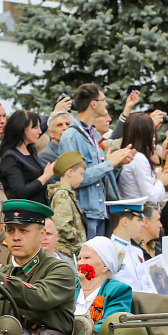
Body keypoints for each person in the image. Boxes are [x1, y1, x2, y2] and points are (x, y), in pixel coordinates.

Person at [0, 200, 76, 335]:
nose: (16, 237)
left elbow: (38, 296)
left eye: (24, 231)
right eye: (10, 231)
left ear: (42, 234)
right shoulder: (1, 274)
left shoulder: (60, 270)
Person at [58, 83, 136, 238]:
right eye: (103, 100)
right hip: (85, 213)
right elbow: (75, 179)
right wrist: (110, 163)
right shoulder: (71, 137)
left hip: (101, 211)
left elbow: (101, 174)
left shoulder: (95, 135)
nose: (106, 104)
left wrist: (118, 163)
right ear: (93, 104)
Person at [118, 113, 168, 203]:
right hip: (140, 212)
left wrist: (165, 160)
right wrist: (161, 181)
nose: (154, 139)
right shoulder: (139, 159)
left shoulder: (127, 156)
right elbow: (151, 197)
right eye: (151, 134)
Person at [74, 236, 131, 329]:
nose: (80, 263)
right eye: (79, 258)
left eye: (87, 258)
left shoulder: (117, 290)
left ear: (105, 266)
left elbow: (108, 327)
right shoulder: (69, 285)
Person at [0, 110, 54, 205]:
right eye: (36, 128)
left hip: (39, 211)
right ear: (22, 130)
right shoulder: (10, 157)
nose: (40, 132)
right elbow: (20, 192)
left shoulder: (31, 151)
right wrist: (45, 176)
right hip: (23, 214)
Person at [109, 197, 154, 293]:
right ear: (125, 221)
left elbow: (147, 284)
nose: (142, 224)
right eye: (138, 220)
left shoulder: (137, 251)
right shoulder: (108, 249)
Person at [47, 151, 87, 256]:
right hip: (66, 250)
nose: (82, 178)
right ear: (70, 173)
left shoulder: (65, 194)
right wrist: (77, 236)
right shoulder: (62, 195)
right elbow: (61, 224)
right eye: (81, 174)